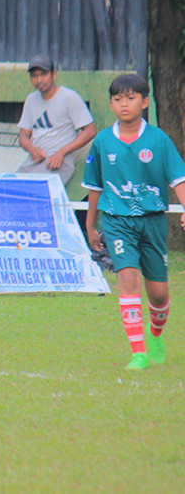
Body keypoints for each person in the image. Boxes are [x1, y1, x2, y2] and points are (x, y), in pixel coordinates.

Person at [82, 73, 185, 371]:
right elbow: (94, 187)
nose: (124, 104)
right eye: (117, 99)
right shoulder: (103, 141)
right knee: (128, 280)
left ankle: (156, 334)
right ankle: (138, 353)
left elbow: (178, 179)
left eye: (130, 98)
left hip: (152, 222)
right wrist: (90, 225)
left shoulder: (159, 140)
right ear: (111, 104)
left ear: (144, 102)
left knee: (159, 294)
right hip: (117, 221)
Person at [17, 54, 97, 185]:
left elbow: (90, 131)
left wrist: (61, 153)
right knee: (11, 188)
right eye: (34, 76)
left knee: (33, 189)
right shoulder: (31, 99)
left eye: (43, 74)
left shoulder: (69, 97)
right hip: (34, 161)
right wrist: (32, 149)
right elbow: (23, 135)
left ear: (53, 75)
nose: (39, 80)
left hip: (59, 163)